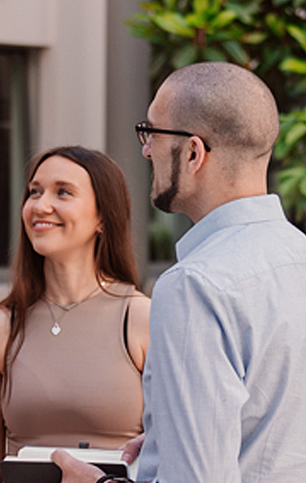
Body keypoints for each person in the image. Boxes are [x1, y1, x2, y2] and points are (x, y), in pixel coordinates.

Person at [53, 61, 306, 483]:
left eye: (151, 133)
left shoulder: (195, 286)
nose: (146, 149)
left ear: (193, 153)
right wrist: (164, 441)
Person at [0, 146, 151, 483]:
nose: (40, 205)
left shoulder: (143, 319)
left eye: (62, 192)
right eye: (34, 192)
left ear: (103, 217)